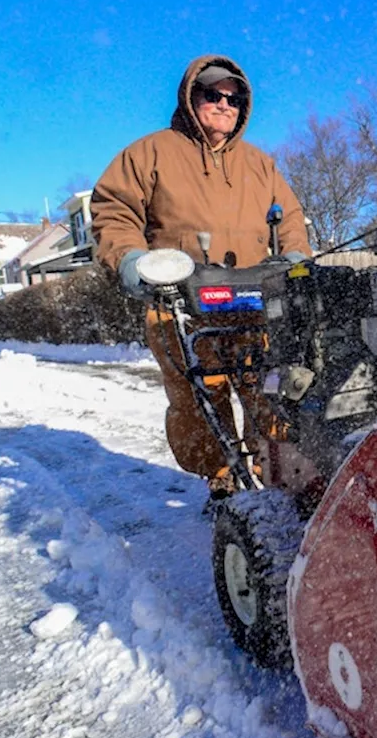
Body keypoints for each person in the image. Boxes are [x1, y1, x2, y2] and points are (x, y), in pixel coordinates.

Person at [91, 55, 312, 495]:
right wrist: (132, 259)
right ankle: (224, 482)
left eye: (234, 98)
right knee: (200, 401)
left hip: (253, 299)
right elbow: (113, 212)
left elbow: (290, 217)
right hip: (182, 305)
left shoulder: (259, 164)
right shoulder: (151, 153)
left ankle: (278, 476)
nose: (224, 104)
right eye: (213, 94)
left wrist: (294, 258)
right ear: (191, 97)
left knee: (269, 390)